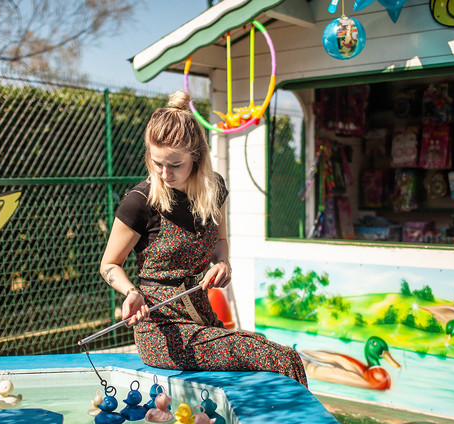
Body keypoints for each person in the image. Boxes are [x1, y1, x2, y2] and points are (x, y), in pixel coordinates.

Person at [99, 91, 307, 387]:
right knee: (281, 357)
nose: (164, 173)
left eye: (175, 164)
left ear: (196, 157)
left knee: (264, 353)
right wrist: (131, 291)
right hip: (163, 332)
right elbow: (109, 264)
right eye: (157, 162)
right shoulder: (139, 201)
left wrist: (223, 262)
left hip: (202, 317)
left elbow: (220, 241)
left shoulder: (215, 188)